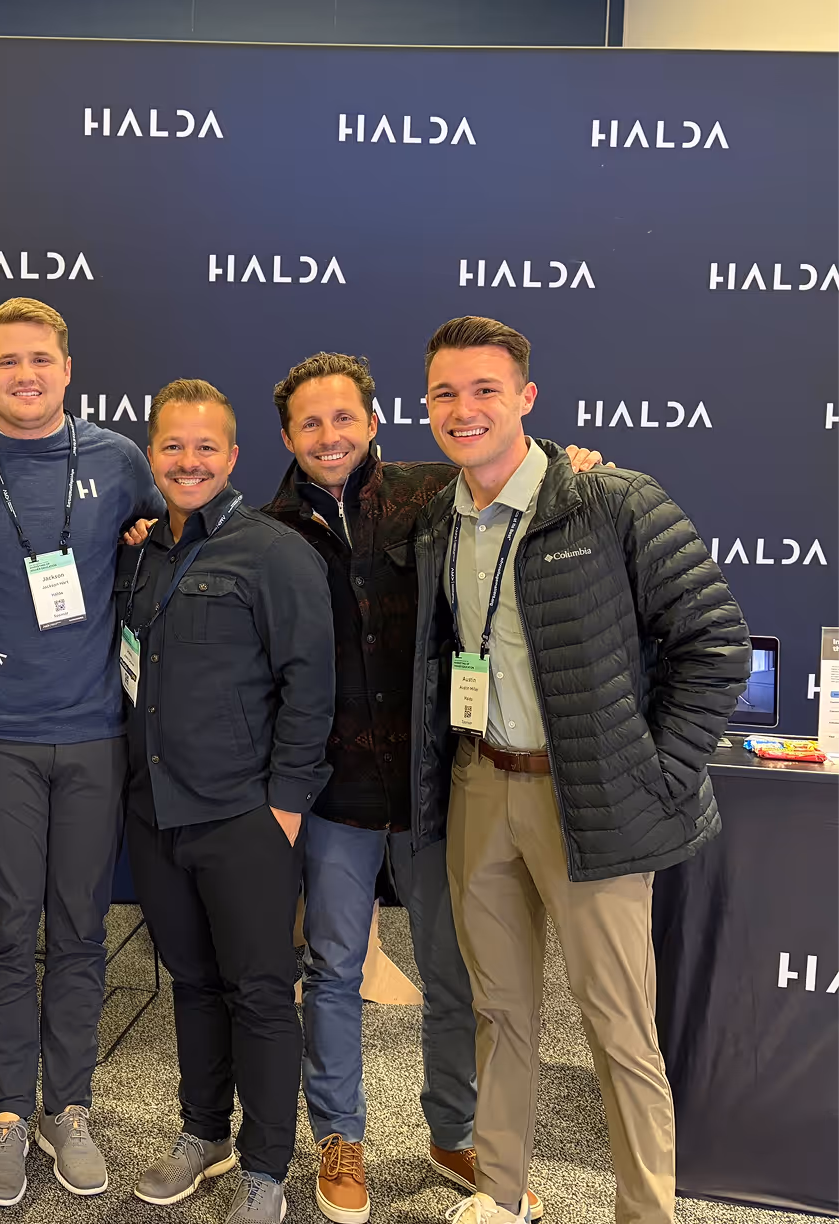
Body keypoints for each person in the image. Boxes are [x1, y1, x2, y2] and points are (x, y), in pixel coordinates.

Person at [406, 317, 750, 1224]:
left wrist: (658, 771)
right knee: (500, 1012)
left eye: (485, 390)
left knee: (616, 1025)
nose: (464, 410)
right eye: (445, 393)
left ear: (526, 398)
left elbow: (715, 644)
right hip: (482, 785)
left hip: (590, 797)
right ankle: (503, 1193)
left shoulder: (611, 500)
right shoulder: (440, 519)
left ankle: (647, 1212)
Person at [262, 353, 603, 1223]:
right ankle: (341, 1136)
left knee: (457, 977)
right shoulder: (268, 532)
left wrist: (572, 471)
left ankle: (454, 1129)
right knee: (332, 970)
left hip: (433, 788)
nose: (330, 435)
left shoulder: (435, 497)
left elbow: (517, 477)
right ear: (290, 437)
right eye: (310, 423)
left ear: (375, 422)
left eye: (345, 418)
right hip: (333, 795)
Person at [0, 298, 164, 1206]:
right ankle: (10, 1113)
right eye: (8, 360)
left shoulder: (121, 462)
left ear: (66, 367)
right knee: (10, 934)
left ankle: (72, 1108)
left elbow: (191, 525)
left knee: (84, 933)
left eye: (41, 359)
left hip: (95, 733)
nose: (26, 374)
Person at [120, 380, 335, 1224]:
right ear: (152, 455)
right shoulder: (139, 552)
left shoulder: (274, 553)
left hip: (245, 817)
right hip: (156, 813)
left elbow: (310, 690)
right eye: (173, 446)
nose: (189, 462)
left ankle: (267, 1167)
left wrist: (282, 808)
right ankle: (202, 1133)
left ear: (235, 457)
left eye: (206, 447)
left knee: (260, 989)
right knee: (192, 982)